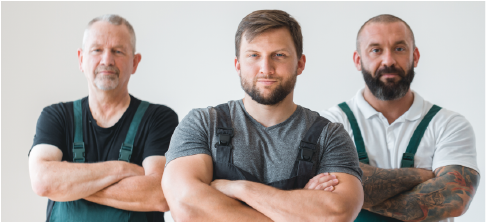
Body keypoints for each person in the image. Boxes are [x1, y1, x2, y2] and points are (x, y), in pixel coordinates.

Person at [162, 9, 363, 222]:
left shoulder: (330, 136)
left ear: (300, 64)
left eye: (279, 55)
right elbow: (187, 207)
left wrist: (238, 189)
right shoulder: (202, 124)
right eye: (253, 55)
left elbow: (337, 213)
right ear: (238, 65)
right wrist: (299, 212)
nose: (266, 69)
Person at [320, 14, 480, 222]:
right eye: (376, 50)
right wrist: (423, 176)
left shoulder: (449, 124)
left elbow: (455, 197)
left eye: (399, 49)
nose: (388, 60)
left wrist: (350, 197)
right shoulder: (329, 123)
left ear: (416, 56)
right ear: (358, 60)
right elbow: (325, 194)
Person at [28, 14, 178, 222]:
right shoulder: (56, 117)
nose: (107, 60)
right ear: (81, 59)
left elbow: (159, 194)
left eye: (118, 51)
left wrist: (69, 185)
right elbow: (43, 181)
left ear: (135, 63)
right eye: (97, 50)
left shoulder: (158, 119)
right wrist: (122, 169)